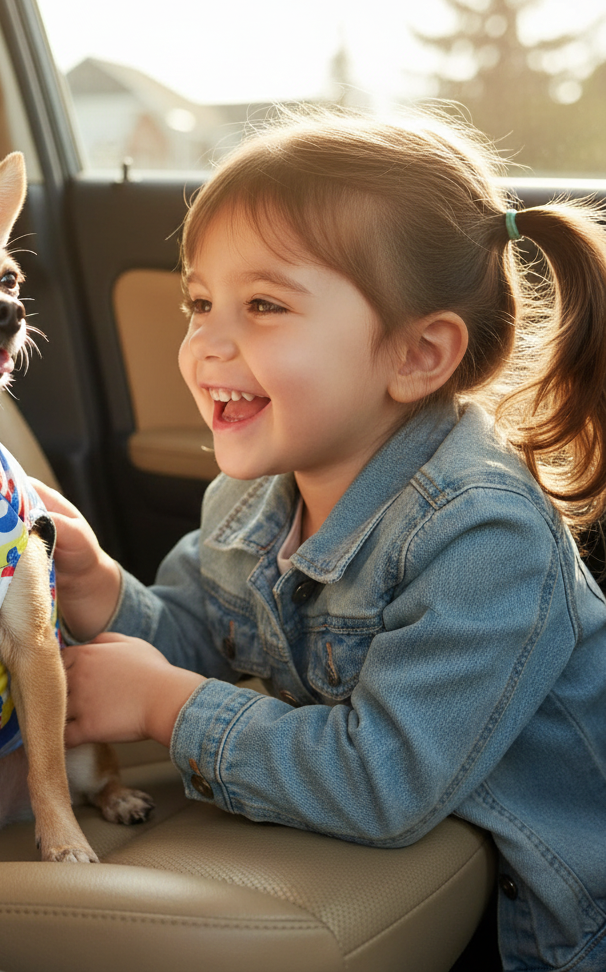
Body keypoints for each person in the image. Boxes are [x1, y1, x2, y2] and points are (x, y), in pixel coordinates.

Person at [35, 111, 606, 972]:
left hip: (545, 924)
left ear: (418, 355)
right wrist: (102, 592)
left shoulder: (483, 533)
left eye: (263, 305)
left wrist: (164, 706)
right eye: (200, 302)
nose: (204, 345)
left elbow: (384, 780)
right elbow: (207, 641)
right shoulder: (252, 494)